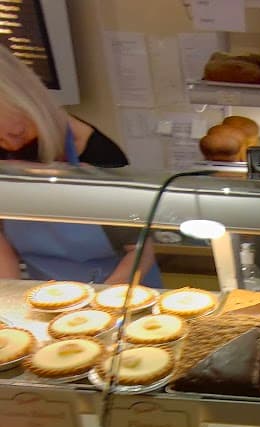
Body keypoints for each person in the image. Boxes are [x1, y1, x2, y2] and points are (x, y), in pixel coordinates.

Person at [0, 45, 161, 287]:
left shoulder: (99, 155)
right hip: (47, 295)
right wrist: (8, 299)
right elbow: (2, 246)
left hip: (120, 291)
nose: (10, 145)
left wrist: (100, 302)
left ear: (32, 102)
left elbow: (140, 252)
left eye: (18, 131)